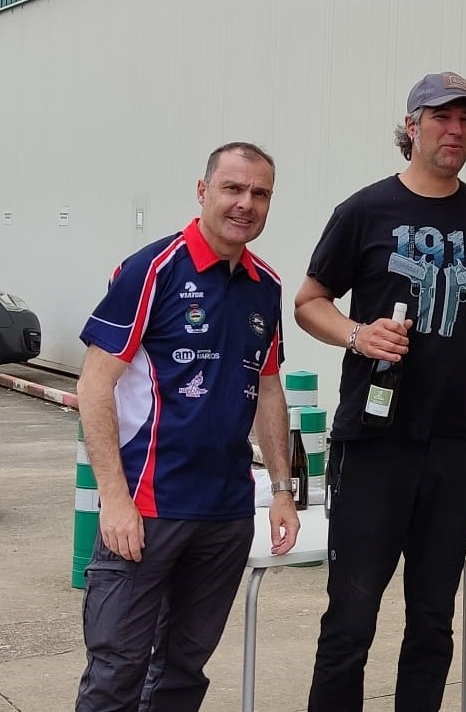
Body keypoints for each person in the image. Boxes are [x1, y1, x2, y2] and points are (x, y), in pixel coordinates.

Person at [294, 71, 466, 712]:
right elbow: (308, 302)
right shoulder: (364, 211)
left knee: (433, 620)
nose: (456, 131)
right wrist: (358, 335)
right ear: (412, 126)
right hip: (373, 443)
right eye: (442, 117)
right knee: (351, 619)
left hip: (457, 445)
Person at [74, 142, 300, 712]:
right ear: (203, 191)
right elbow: (94, 385)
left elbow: (268, 388)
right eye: (233, 188)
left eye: (260, 193)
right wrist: (114, 500)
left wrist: (281, 490)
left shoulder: (266, 286)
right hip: (147, 509)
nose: (246, 203)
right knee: (116, 673)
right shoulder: (152, 270)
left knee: (183, 673)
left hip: (225, 514)